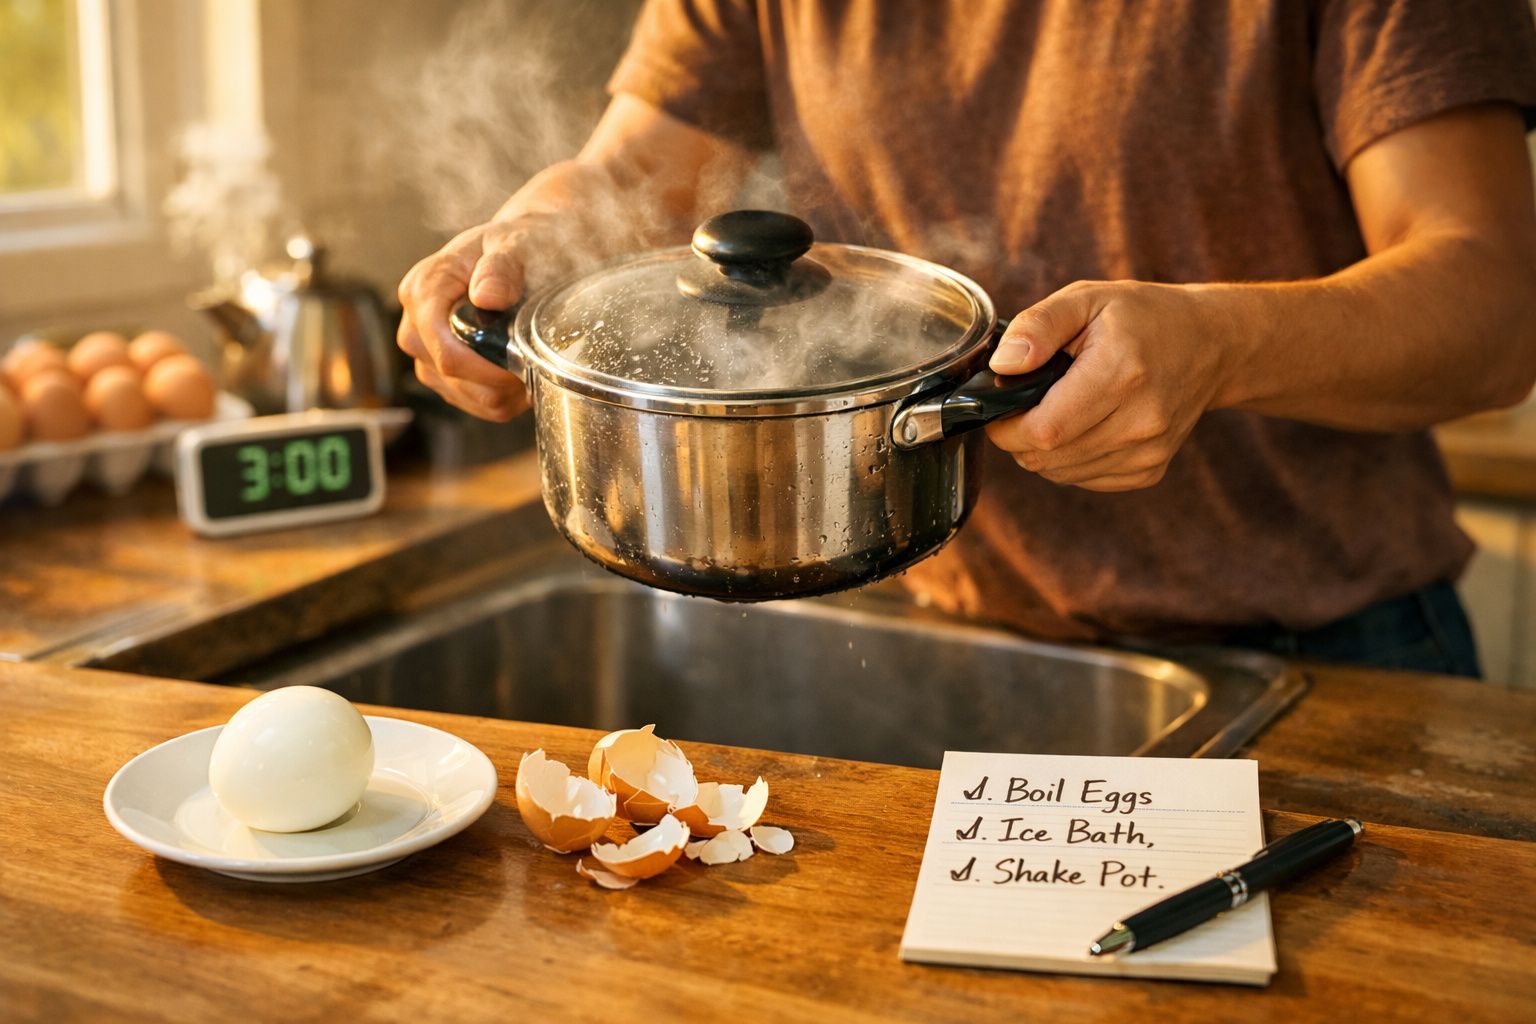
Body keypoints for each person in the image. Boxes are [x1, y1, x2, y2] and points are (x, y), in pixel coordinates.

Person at [398, 0, 1536, 676]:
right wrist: (529, 243)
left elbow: (1494, 304)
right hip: (932, 628)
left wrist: (1222, 344)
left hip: (1318, 652)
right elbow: (628, 179)